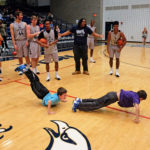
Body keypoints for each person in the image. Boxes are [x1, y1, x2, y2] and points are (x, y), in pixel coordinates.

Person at [72, 89, 147, 123]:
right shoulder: (136, 97)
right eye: (142, 100)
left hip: (112, 94)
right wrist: (137, 118)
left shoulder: (134, 94)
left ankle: (80, 100)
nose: (141, 101)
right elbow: (137, 107)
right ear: (141, 98)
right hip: (112, 98)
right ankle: (77, 105)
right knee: (95, 105)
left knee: (96, 101)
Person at [10, 11, 30, 75]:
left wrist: (27, 41)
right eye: (21, 15)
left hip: (24, 40)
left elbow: (27, 33)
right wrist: (14, 44)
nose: (22, 16)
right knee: (20, 56)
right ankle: (22, 69)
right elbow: (12, 35)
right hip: (17, 41)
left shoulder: (25, 23)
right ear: (17, 16)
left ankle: (28, 68)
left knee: (26, 55)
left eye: (22, 15)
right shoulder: (12, 25)